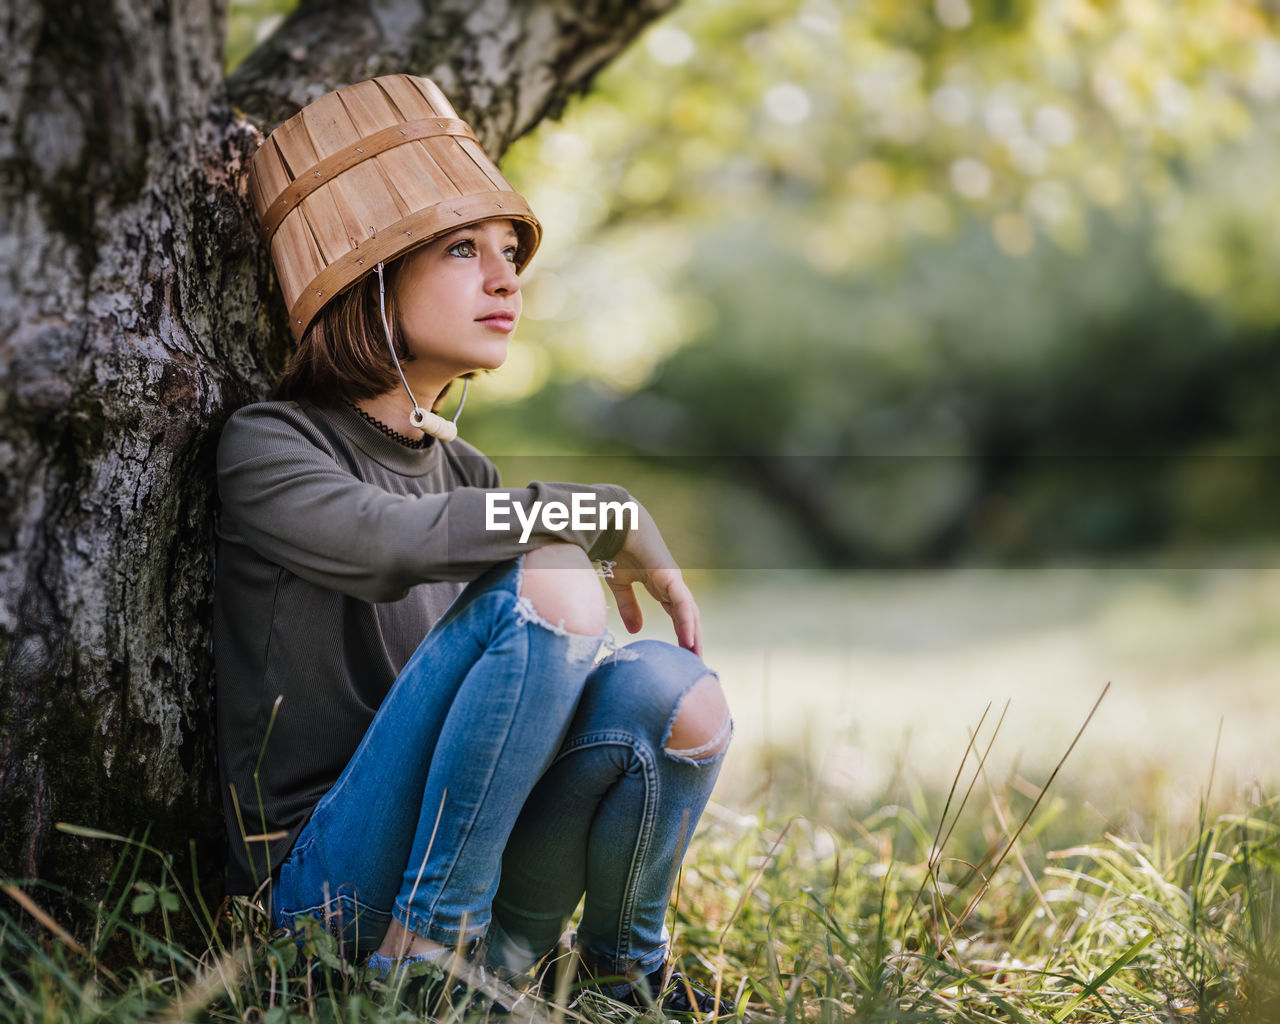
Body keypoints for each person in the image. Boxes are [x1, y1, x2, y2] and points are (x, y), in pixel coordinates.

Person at [213, 74, 734, 1015]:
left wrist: (566, 525)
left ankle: (620, 974)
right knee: (558, 570)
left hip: (465, 859)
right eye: (462, 249)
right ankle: (421, 972)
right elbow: (383, 543)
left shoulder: (468, 478)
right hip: (325, 887)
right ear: (369, 276)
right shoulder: (270, 442)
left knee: (676, 696)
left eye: (509, 253)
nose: (506, 279)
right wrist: (594, 511)